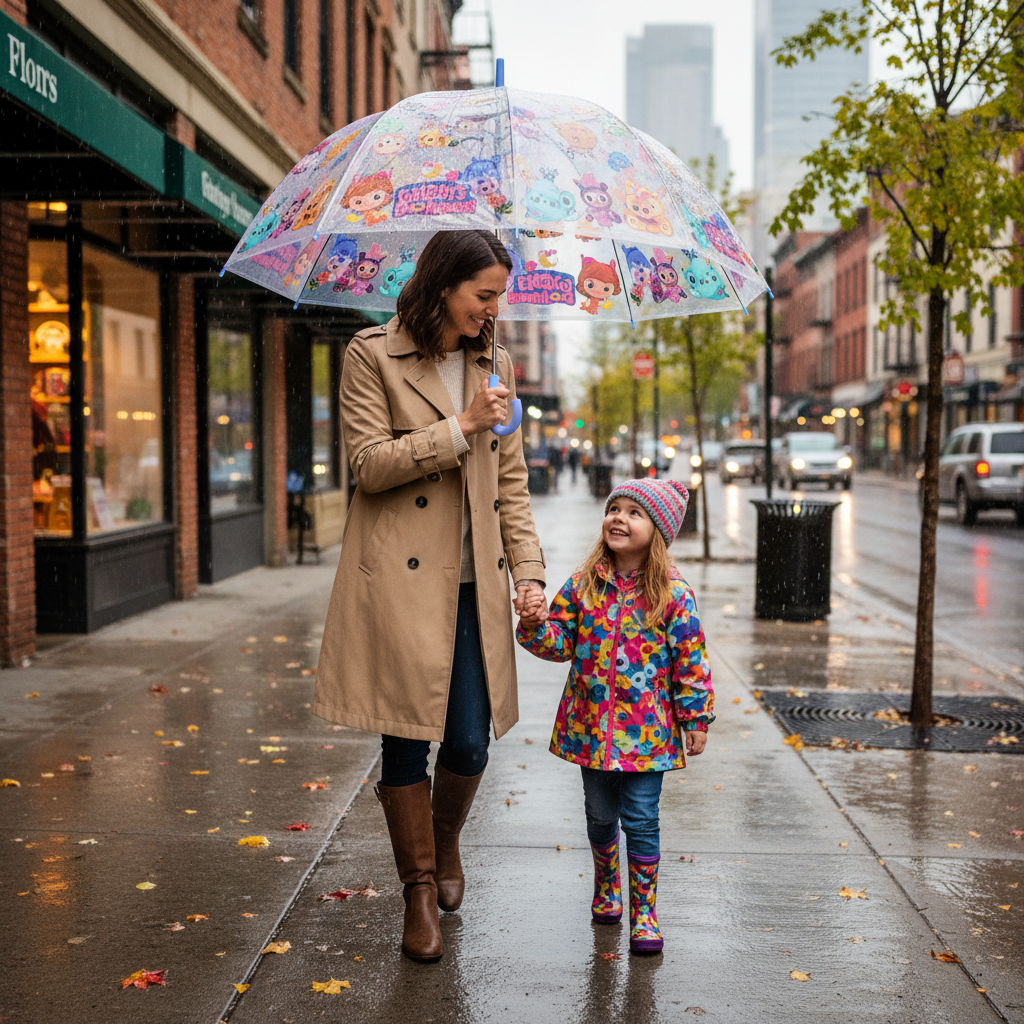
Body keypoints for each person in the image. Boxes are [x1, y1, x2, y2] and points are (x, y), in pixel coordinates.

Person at [313, 230, 546, 963]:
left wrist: (530, 572)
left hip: (475, 578)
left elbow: (510, 482)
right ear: (445, 285)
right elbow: (368, 465)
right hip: (401, 582)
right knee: (405, 736)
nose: (494, 307)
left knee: (471, 740)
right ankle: (418, 889)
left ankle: (443, 838)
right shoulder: (369, 354)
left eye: (500, 294)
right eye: (485, 293)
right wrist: (459, 427)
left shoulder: (495, 363)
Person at [515, 478, 713, 954]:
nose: (619, 518)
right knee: (600, 815)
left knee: (641, 818)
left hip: (649, 734)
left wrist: (696, 717)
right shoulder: (585, 584)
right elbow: (560, 643)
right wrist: (535, 622)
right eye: (614, 509)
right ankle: (607, 885)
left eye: (634, 513)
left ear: (658, 532)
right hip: (592, 730)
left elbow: (691, 659)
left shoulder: (673, 594)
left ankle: (645, 912)